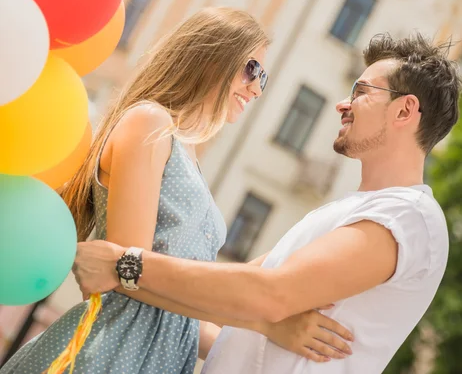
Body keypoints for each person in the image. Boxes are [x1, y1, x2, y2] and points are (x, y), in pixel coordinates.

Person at [73, 32, 460, 373]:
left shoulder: (408, 216)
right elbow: (225, 297)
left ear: (405, 110)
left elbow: (269, 294)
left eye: (360, 92)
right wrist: (124, 271)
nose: (342, 104)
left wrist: (124, 263)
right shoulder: (342, 215)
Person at [1, 7, 353, 374]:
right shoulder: (150, 123)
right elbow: (125, 271)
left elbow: (181, 317)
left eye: (264, 77)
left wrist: (276, 353)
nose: (256, 88)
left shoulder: (187, 153)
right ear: (212, 57)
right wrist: (263, 322)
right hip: (109, 353)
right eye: (252, 69)